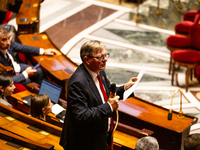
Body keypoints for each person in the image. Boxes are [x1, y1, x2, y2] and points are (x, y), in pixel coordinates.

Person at [60, 40, 137, 150]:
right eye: (100, 57)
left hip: (99, 138)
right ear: (87, 60)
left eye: (105, 55)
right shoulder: (78, 83)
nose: (105, 59)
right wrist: (109, 107)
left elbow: (107, 91)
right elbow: (81, 116)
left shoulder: (99, 71)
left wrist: (125, 89)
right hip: (84, 143)